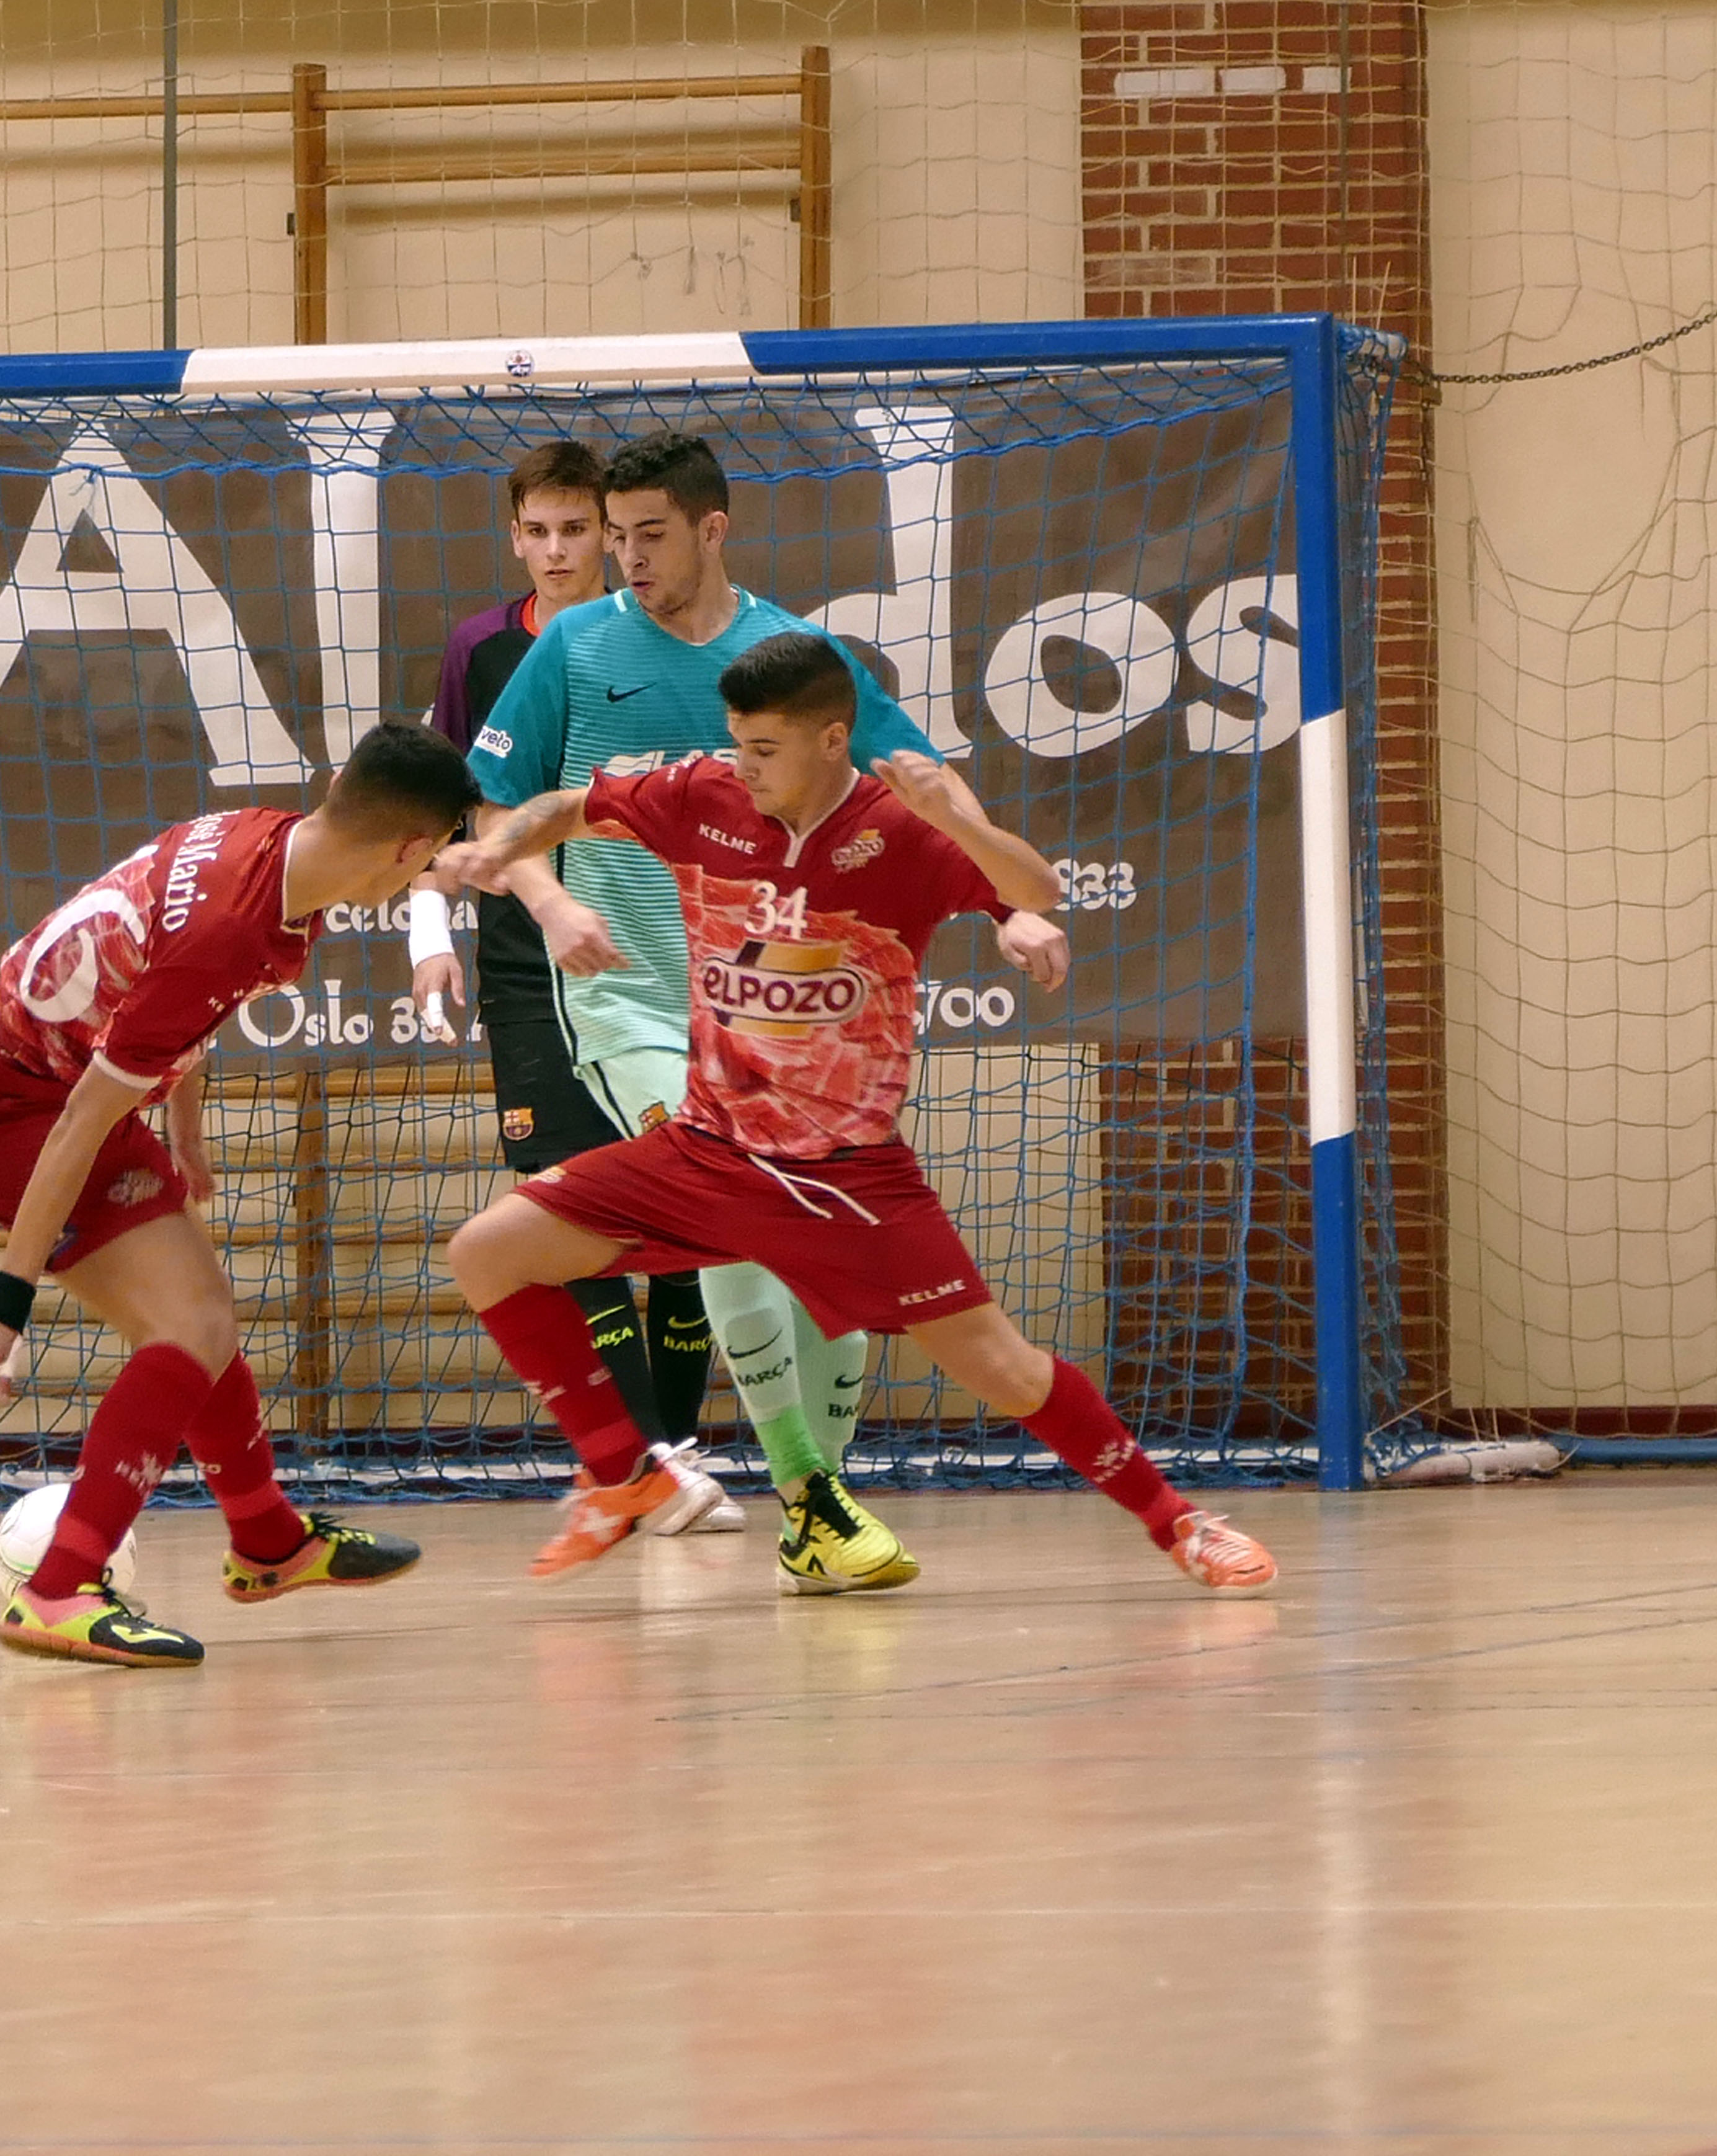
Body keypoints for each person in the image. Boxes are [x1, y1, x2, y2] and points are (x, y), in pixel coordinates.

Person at [439, 630, 1276, 1595]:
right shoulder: (703, 794)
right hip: (706, 1152)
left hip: (846, 1180)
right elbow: (568, 805)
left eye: (766, 749)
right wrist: (502, 847)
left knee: (1005, 1371)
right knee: (487, 1252)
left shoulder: (902, 834)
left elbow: (1035, 887)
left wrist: (957, 825)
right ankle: (625, 1475)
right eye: (738, 743)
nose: (745, 766)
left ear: (833, 739)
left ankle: (1181, 1525)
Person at [465, 430, 1059, 1595]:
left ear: (712, 529)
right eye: (614, 537)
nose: (626, 558)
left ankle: (818, 1507)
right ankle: (806, 1493)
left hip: (783, 1016)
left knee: (816, 1248)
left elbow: (921, 788)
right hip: (631, 998)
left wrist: (1007, 909)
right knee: (732, 1216)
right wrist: (548, 903)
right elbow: (502, 804)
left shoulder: (790, 655)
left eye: (648, 535)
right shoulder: (575, 645)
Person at [0, 724, 480, 1669]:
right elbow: (82, 1118)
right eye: (430, 861)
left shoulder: (265, 841)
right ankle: (59, 1588)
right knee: (186, 1330)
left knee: (206, 1318)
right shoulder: (235, 931)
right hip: (13, 1109)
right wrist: (5, 1307)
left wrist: (183, 1127)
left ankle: (269, 1542)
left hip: (53, 1082)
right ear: (409, 851)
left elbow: (170, 1003)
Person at [408, 440, 727, 1523]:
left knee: (684, 1214)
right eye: (536, 533)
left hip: (655, 960)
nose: (557, 552)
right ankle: (643, 1466)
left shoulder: (671, 638)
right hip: (524, 962)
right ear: (513, 539)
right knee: (564, 1208)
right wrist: (428, 930)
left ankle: (680, 1453)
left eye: (577, 530)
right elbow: (448, 802)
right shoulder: (483, 648)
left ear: (613, 534)